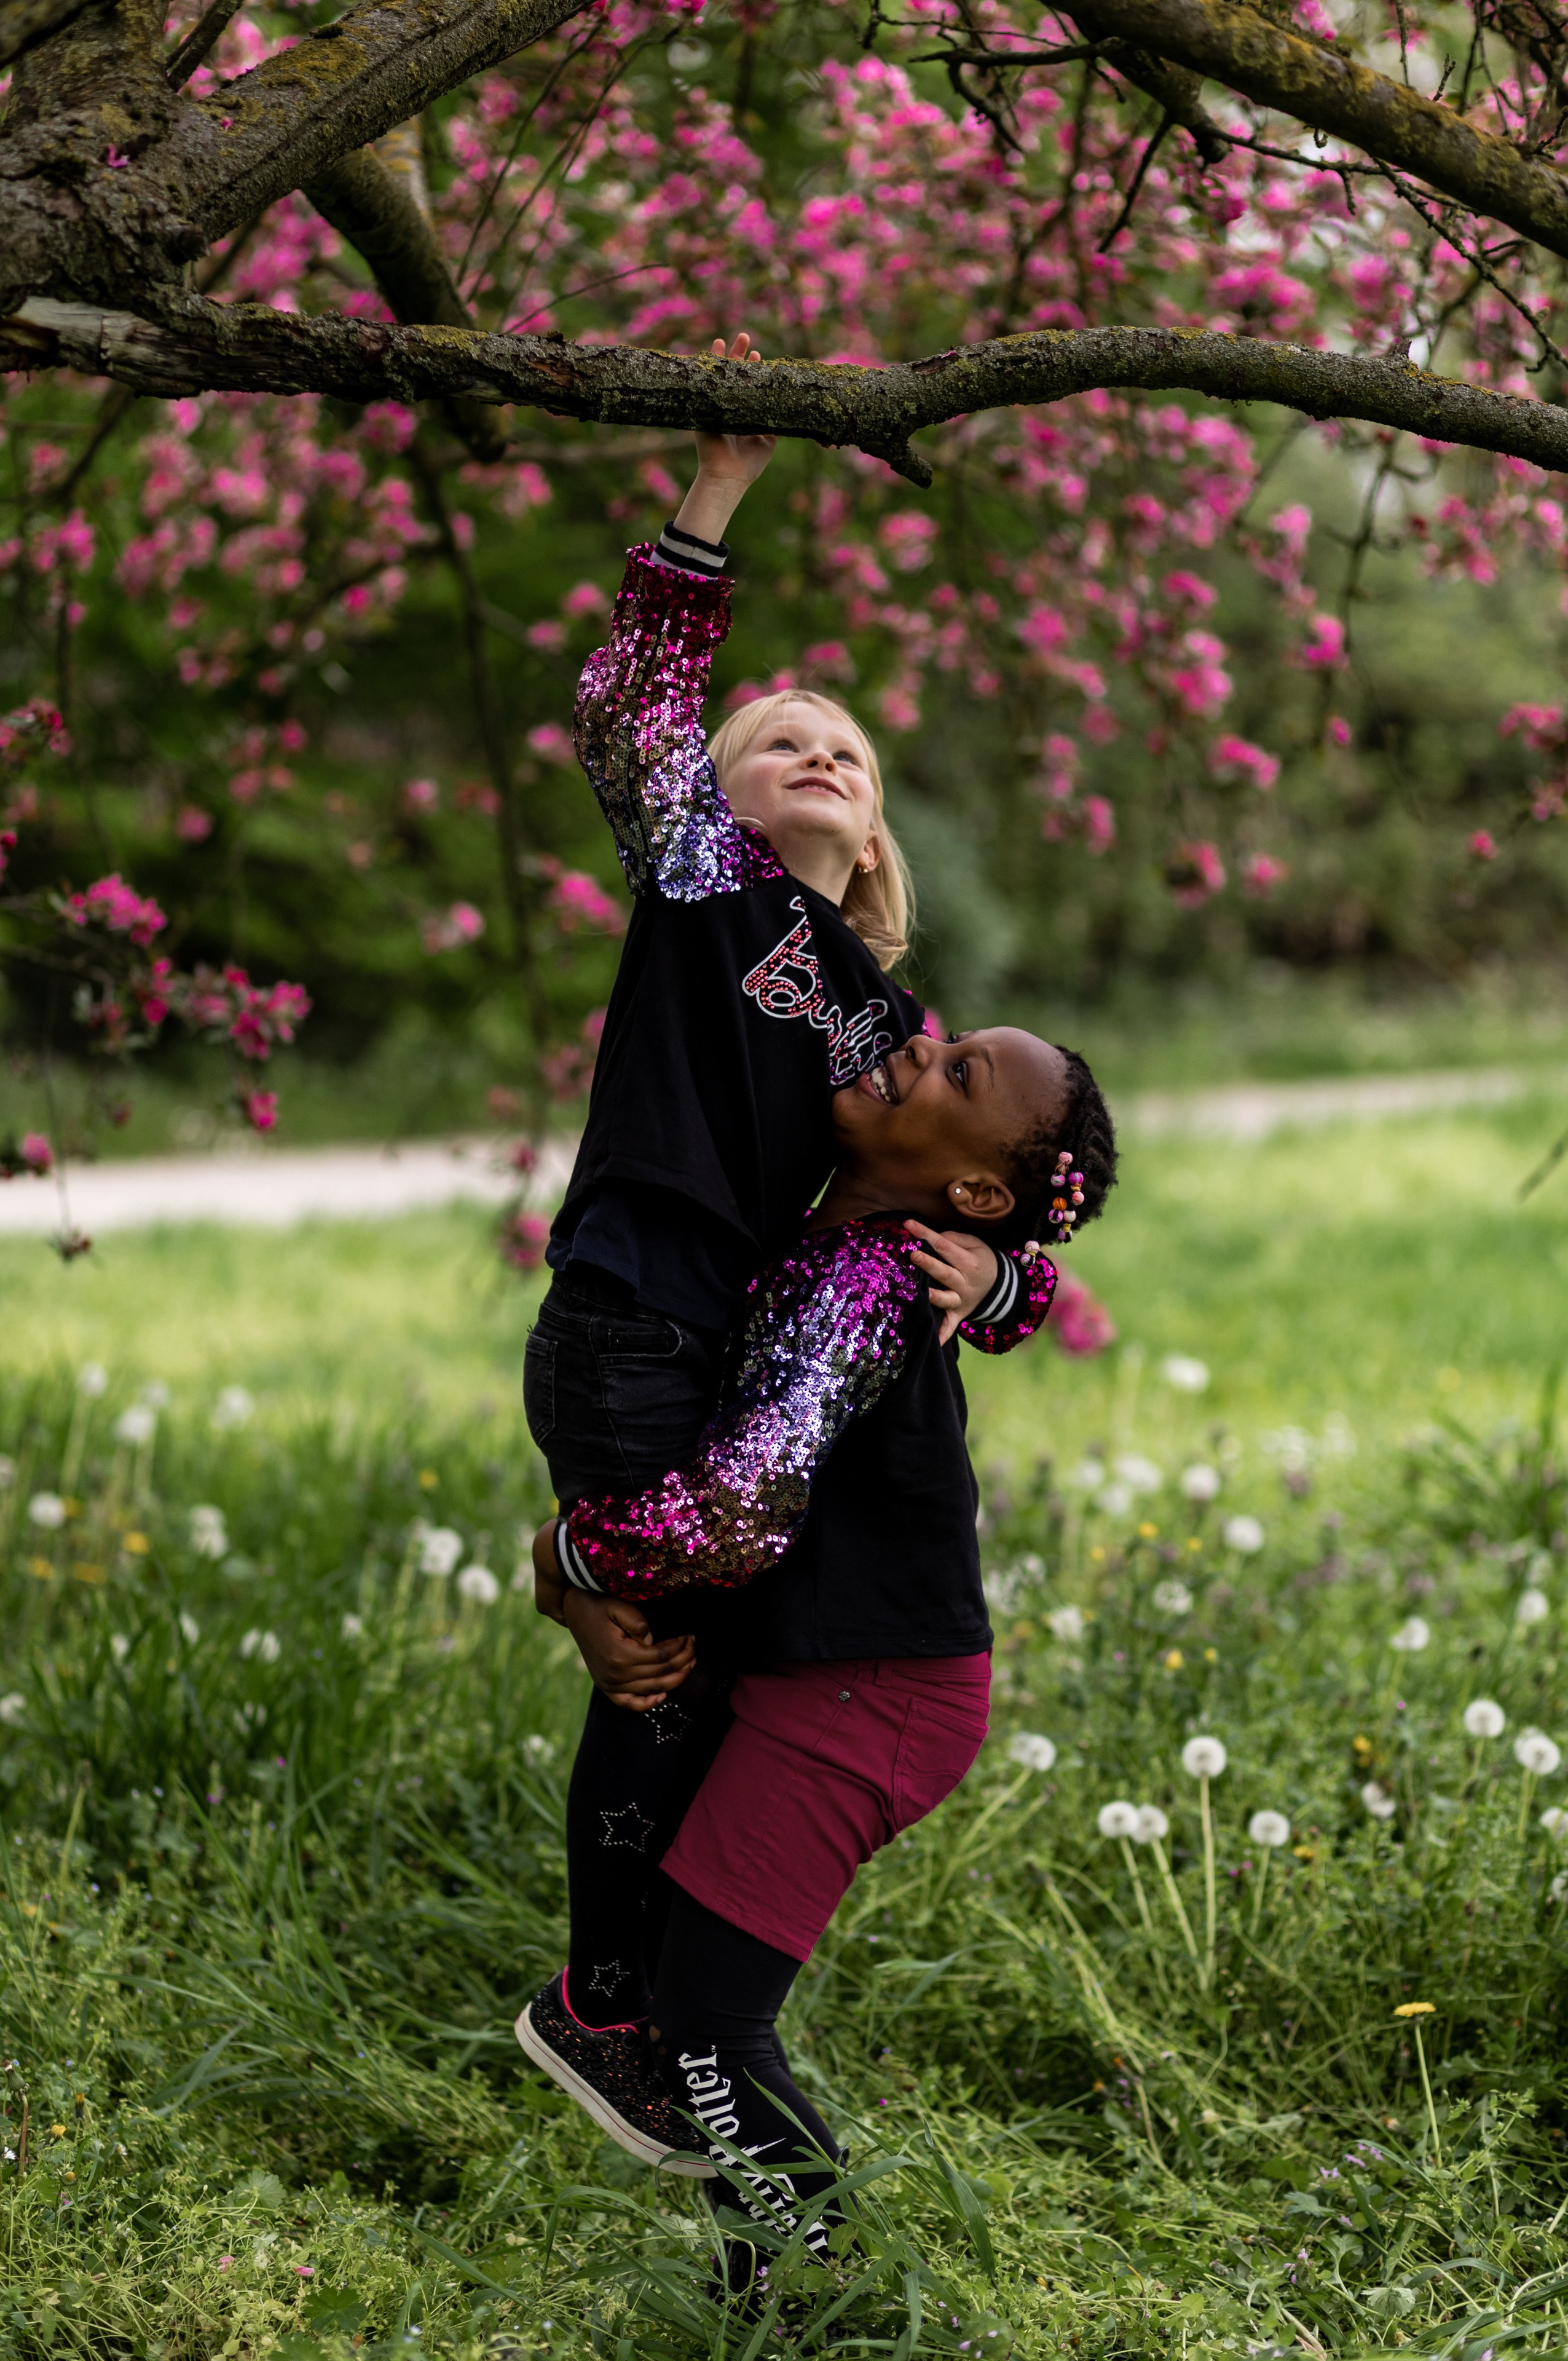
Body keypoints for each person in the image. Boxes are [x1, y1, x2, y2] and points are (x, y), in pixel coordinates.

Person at [520, 333, 1041, 2159]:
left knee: (713, 1661)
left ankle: (656, 2003)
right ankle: (606, 2001)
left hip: (728, 1357)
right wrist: (718, 487)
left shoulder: (886, 1026)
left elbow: (990, 1190)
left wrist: (1010, 1287)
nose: (814, 752)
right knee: (655, 1648)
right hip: (637, 1313)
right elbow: (632, 708)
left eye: (845, 749)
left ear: (878, 827)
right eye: (774, 743)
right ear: (717, 801)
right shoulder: (705, 893)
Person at [526, 1021, 1118, 2266]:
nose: (920, 1047)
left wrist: (573, 1558)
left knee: (707, 2030)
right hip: (827, 1673)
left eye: (959, 1072)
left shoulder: (865, 1281)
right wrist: (1013, 1283)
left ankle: (824, 2298)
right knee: (693, 2024)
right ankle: (777, 2292)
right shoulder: (863, 1240)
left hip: (871, 1695)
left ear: (971, 1193)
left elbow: (737, 1516)